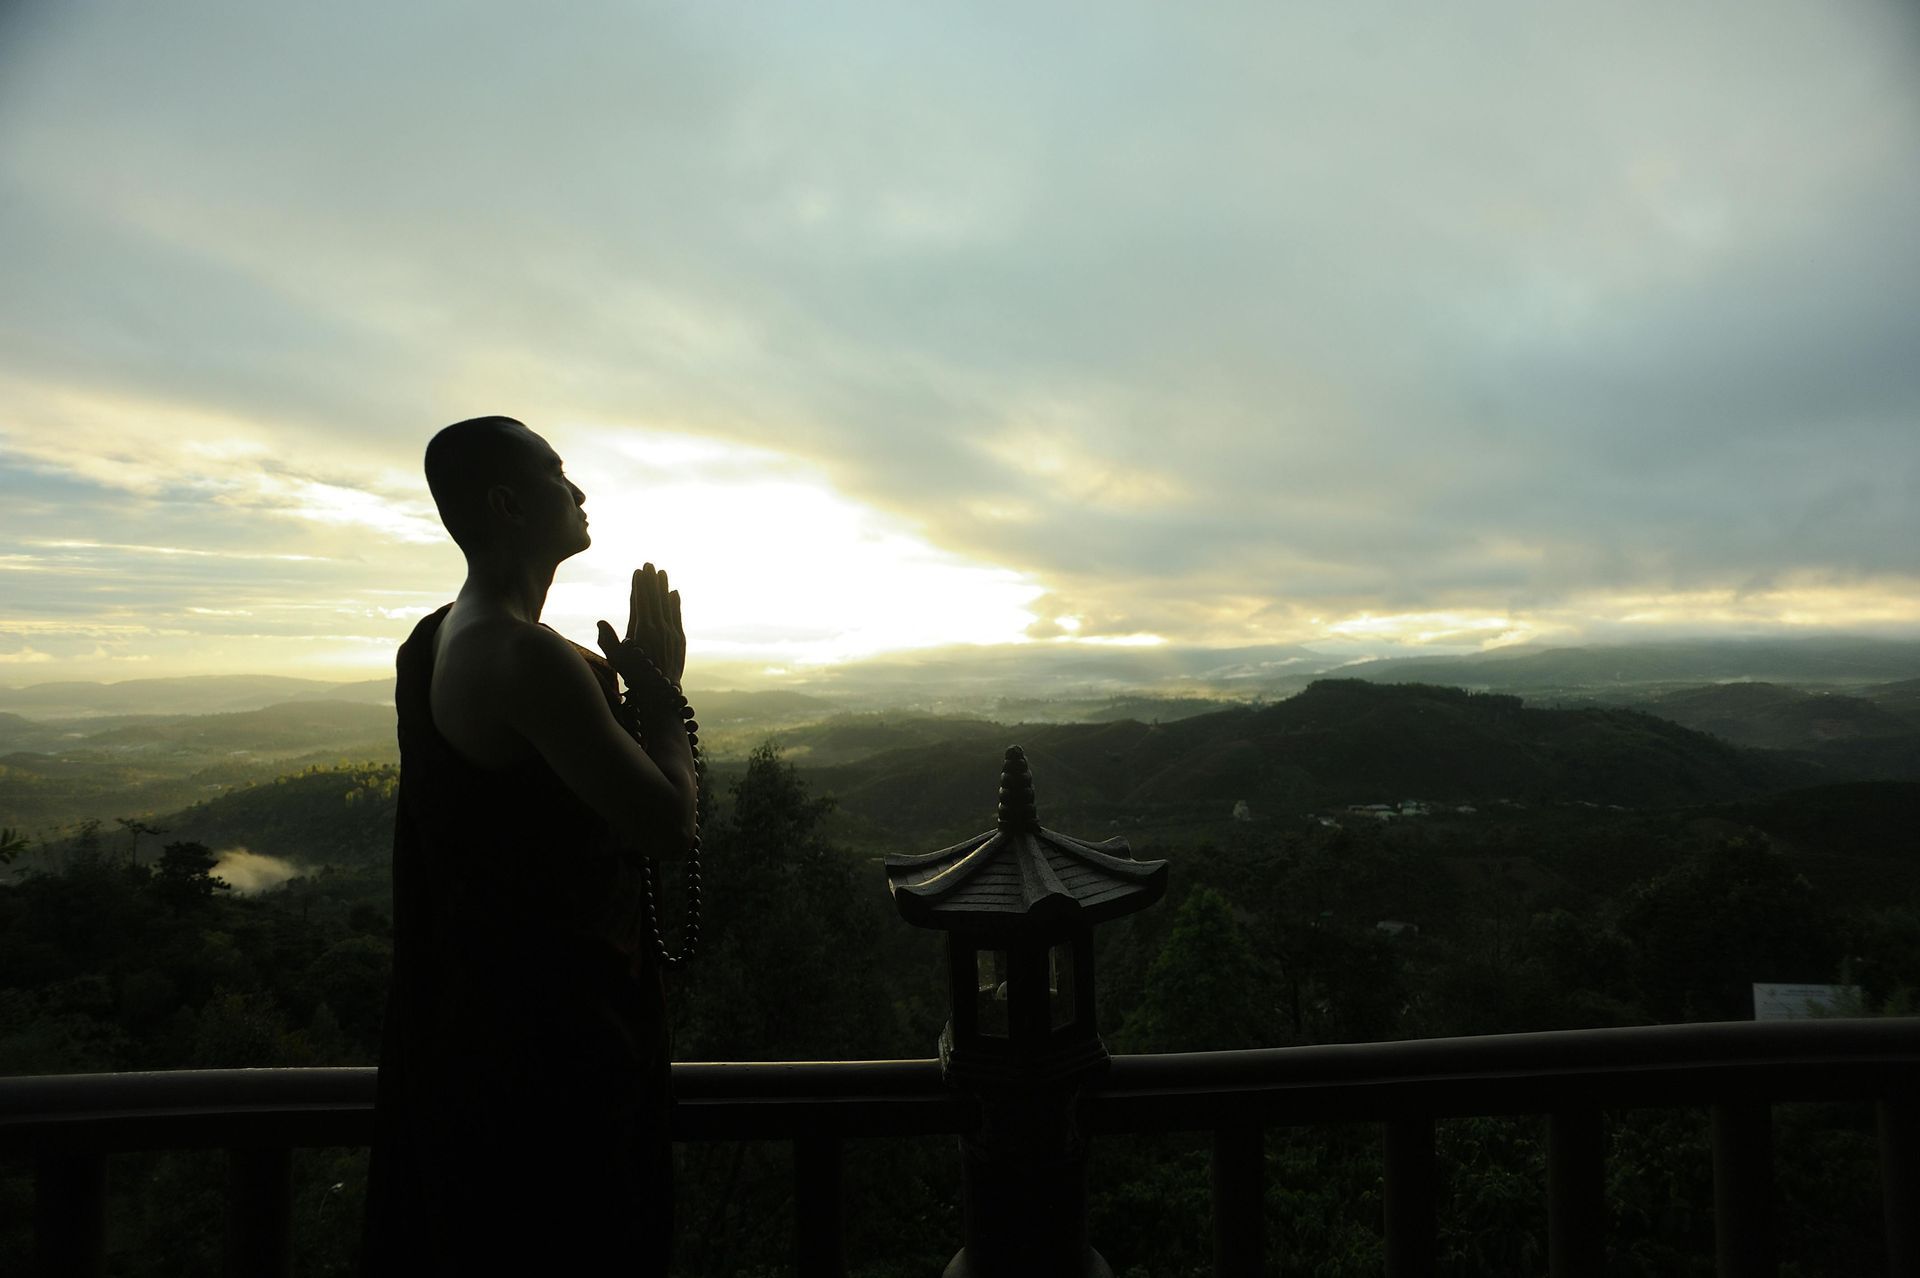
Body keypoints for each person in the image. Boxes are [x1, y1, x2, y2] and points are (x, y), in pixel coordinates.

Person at [362, 416, 697, 1275]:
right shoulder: (524, 657)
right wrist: (661, 697)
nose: (579, 491)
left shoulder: (435, 639)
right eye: (558, 474)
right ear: (508, 504)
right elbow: (664, 825)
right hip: (554, 1066)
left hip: (470, 1044)